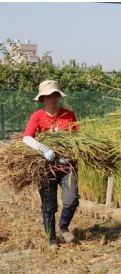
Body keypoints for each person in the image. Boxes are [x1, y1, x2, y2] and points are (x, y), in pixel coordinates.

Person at [21, 80, 80, 251]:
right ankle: (51, 238)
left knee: (71, 200)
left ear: (58, 96)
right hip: (46, 169)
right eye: (48, 95)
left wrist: (66, 156)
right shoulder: (37, 116)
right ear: (42, 98)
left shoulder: (69, 115)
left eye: (54, 95)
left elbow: (77, 139)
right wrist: (43, 148)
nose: (51, 98)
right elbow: (27, 137)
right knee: (49, 205)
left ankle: (63, 227)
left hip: (67, 166)